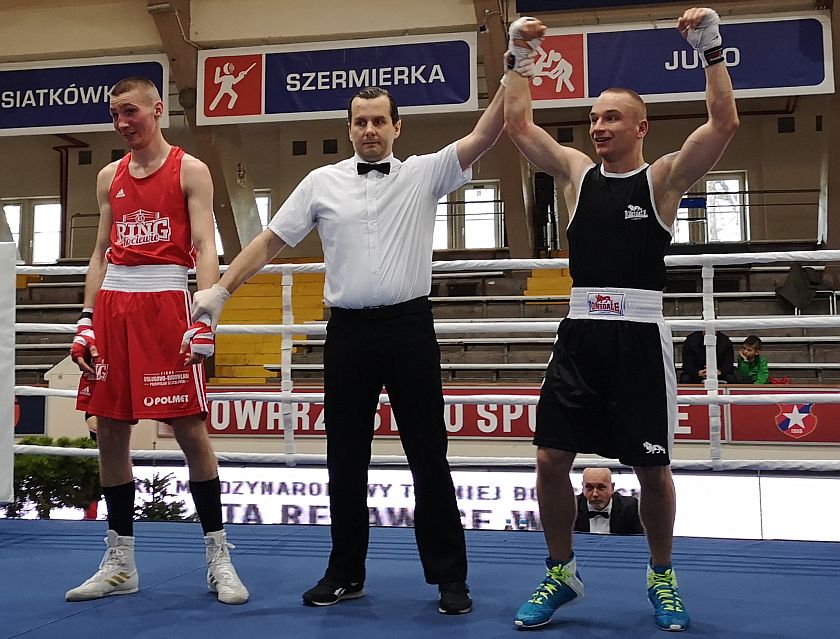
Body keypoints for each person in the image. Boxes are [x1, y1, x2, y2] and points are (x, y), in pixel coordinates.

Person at [189, 84, 507, 614]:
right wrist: (222, 290)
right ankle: (345, 572)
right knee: (345, 459)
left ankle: (451, 577)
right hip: (348, 334)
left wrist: (512, 70)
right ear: (350, 128)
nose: (369, 131)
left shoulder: (424, 172)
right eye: (360, 122)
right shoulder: (321, 182)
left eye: (379, 121)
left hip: (409, 327)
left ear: (396, 127)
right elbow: (271, 240)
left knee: (428, 456)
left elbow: (485, 134)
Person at [503, 7, 738, 631]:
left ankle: (661, 573)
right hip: (579, 334)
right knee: (551, 459)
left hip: (638, 337)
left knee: (653, 470)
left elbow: (723, 123)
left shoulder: (661, 180)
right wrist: (518, 56)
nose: (597, 126)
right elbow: (518, 123)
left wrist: (710, 46)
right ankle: (562, 570)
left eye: (610, 117)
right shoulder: (578, 176)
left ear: (640, 127)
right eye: (593, 117)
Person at [66, 77, 248, 605]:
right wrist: (86, 317)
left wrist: (206, 310)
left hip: (167, 305)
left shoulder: (190, 169)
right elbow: (101, 251)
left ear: (157, 110)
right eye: (114, 114)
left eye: (129, 112)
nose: (122, 123)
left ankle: (219, 558)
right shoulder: (108, 177)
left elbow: (204, 243)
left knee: (190, 431)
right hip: (114, 308)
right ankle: (120, 561)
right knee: (111, 432)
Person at [574, 468, 643, 535]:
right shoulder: (572, 507)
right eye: (589, 488)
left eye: (601, 488)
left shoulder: (630, 508)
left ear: (612, 487)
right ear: (583, 488)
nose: (595, 494)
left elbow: (641, 540)